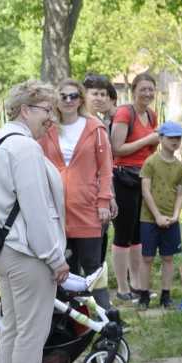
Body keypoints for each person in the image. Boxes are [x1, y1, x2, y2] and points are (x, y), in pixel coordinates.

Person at [0, 79, 71, 363]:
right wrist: (56, 257)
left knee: (15, 330)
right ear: (26, 110)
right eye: (47, 110)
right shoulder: (24, 149)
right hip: (27, 252)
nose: (53, 118)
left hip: (6, 250)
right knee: (31, 334)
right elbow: (37, 211)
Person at [38, 78, 113, 311]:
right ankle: (73, 321)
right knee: (64, 268)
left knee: (92, 264)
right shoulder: (47, 129)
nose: (68, 100)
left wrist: (104, 201)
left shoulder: (95, 128)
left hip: (87, 207)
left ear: (81, 99)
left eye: (73, 96)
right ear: (56, 100)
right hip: (56, 210)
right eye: (63, 96)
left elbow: (106, 169)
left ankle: (106, 316)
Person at [110, 72, 160, 302]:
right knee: (124, 234)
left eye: (151, 89)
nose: (147, 94)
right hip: (124, 179)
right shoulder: (124, 113)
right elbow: (116, 149)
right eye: (143, 89)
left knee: (139, 235)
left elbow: (150, 152)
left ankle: (138, 284)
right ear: (133, 91)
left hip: (144, 179)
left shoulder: (151, 115)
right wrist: (146, 141)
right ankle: (122, 288)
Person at [138, 121, 182, 310]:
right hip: (149, 219)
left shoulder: (181, 167)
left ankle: (165, 295)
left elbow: (181, 193)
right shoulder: (150, 162)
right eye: (171, 137)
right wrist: (158, 216)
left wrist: (175, 216)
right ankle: (144, 295)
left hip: (171, 220)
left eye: (178, 138)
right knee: (147, 258)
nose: (175, 141)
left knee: (168, 258)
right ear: (160, 138)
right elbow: (146, 191)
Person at [83, 74, 120, 265]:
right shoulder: (76, 123)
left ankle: (95, 288)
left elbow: (106, 165)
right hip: (82, 195)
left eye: (103, 94)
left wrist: (110, 196)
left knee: (99, 243)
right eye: (95, 93)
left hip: (102, 193)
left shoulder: (103, 124)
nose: (99, 98)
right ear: (84, 94)